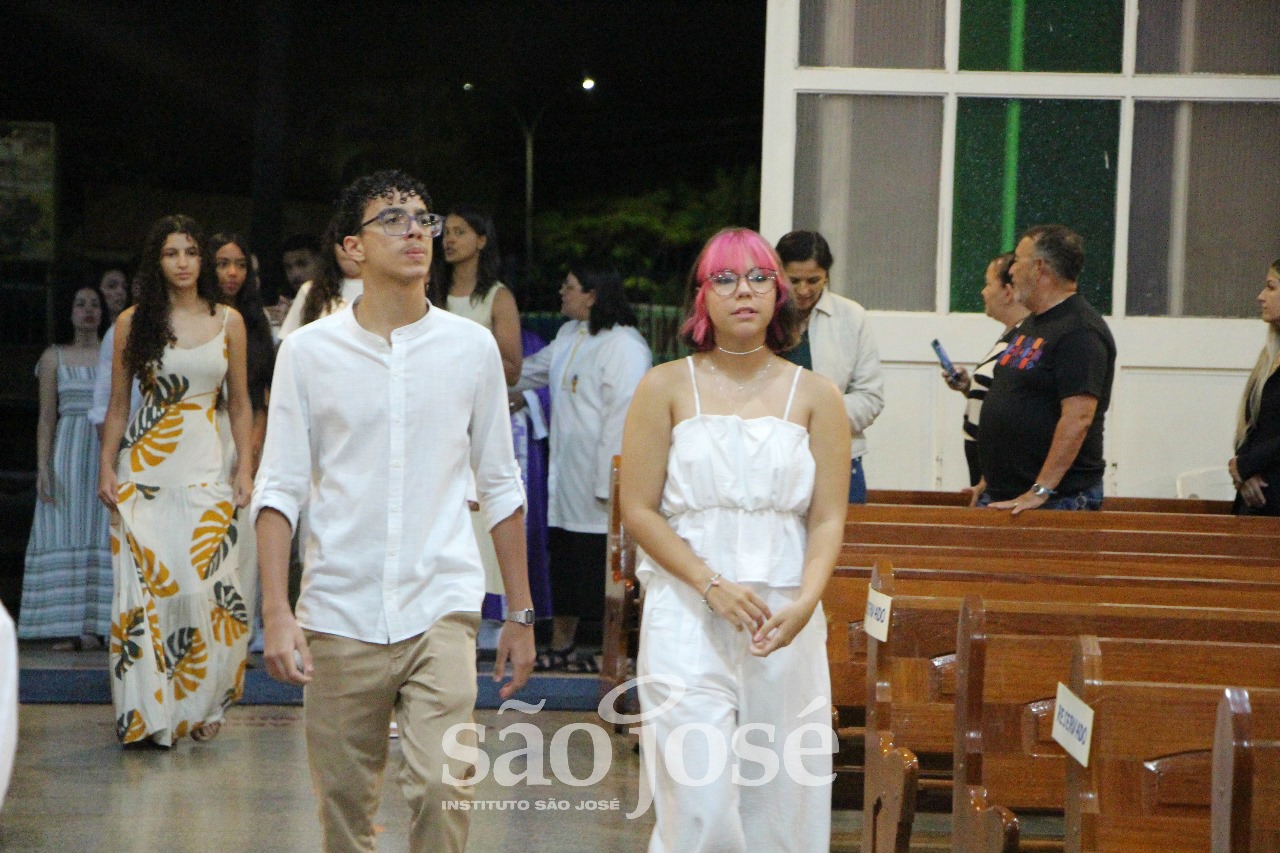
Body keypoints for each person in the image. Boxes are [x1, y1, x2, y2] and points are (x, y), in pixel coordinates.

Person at [253, 170, 535, 853]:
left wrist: (521, 613)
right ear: (352, 247)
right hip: (338, 610)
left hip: (440, 603)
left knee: (443, 786)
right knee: (345, 813)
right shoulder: (308, 352)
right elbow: (279, 487)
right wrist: (277, 610)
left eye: (423, 218)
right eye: (392, 218)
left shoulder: (470, 348)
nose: (415, 230)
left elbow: (500, 483)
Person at [620, 227, 850, 852]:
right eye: (724, 278)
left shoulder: (818, 395)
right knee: (697, 800)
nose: (742, 291)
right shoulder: (665, 385)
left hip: (783, 614)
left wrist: (807, 601)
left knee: (781, 797)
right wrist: (709, 582)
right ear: (701, 297)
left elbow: (827, 517)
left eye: (757, 278)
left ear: (780, 294)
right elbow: (638, 508)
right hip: (685, 608)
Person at [98, 214, 256, 747]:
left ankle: (204, 704)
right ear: (157, 261)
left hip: (207, 470)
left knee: (211, 590)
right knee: (144, 596)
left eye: (191, 251)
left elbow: (241, 404)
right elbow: (118, 407)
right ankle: (148, 718)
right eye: (172, 253)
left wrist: (245, 468)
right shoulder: (133, 322)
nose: (183, 262)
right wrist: (105, 466)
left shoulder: (229, 320)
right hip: (143, 474)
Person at [512, 266, 651, 672]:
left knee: (602, 570)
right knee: (568, 564)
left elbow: (623, 418)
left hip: (601, 484)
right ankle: (563, 646)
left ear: (592, 295)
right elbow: (527, 373)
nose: (562, 292)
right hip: (566, 479)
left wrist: (611, 485)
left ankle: (609, 653)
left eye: (570, 287)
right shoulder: (569, 335)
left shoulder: (624, 345)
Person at [978, 224, 1117, 514]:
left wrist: (1040, 490)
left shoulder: (1079, 330)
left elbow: (1078, 418)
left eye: (1018, 260)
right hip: (1009, 495)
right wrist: (988, 480)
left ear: (1039, 268)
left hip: (1056, 501)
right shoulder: (1033, 323)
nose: (1012, 270)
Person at [18, 284, 112, 649]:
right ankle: (72, 625)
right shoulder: (54, 356)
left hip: (105, 447)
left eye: (94, 304)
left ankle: (105, 625)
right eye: (80, 303)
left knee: (103, 531)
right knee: (65, 529)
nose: (88, 310)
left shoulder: (113, 352)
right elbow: (46, 417)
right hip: (69, 452)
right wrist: (43, 465)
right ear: (69, 312)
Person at [775, 230, 883, 504]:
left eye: (814, 280)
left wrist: (814, 416)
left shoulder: (852, 317)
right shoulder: (763, 317)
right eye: (794, 280)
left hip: (839, 457)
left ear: (827, 276)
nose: (804, 291)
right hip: (772, 459)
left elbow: (870, 397)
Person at [209, 232, 276, 648]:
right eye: (222, 263)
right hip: (197, 433)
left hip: (245, 431)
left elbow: (264, 394)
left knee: (244, 540)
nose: (232, 273)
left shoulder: (255, 322)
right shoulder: (192, 318)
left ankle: (238, 637)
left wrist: (251, 448)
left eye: (239, 265)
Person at [939, 252, 1030, 491]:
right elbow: (998, 393)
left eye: (988, 284)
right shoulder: (1009, 337)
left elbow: (1015, 410)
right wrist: (969, 388)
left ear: (1007, 292)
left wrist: (987, 481)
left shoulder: (1024, 342)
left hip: (998, 478)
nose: (983, 292)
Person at [432, 206, 522, 385]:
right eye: (447, 232)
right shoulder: (432, 291)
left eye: (459, 232)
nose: (449, 240)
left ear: (481, 241)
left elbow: (512, 372)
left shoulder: (499, 298)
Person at [1229, 259, 1280, 515]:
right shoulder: (1269, 357)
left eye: (1271, 287)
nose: (1261, 296)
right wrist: (1243, 472)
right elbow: (1249, 423)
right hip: (1256, 500)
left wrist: (1246, 465)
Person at [278, 219, 363, 339]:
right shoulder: (310, 290)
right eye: (342, 244)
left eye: (303, 264)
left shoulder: (386, 289)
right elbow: (288, 344)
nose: (295, 274)